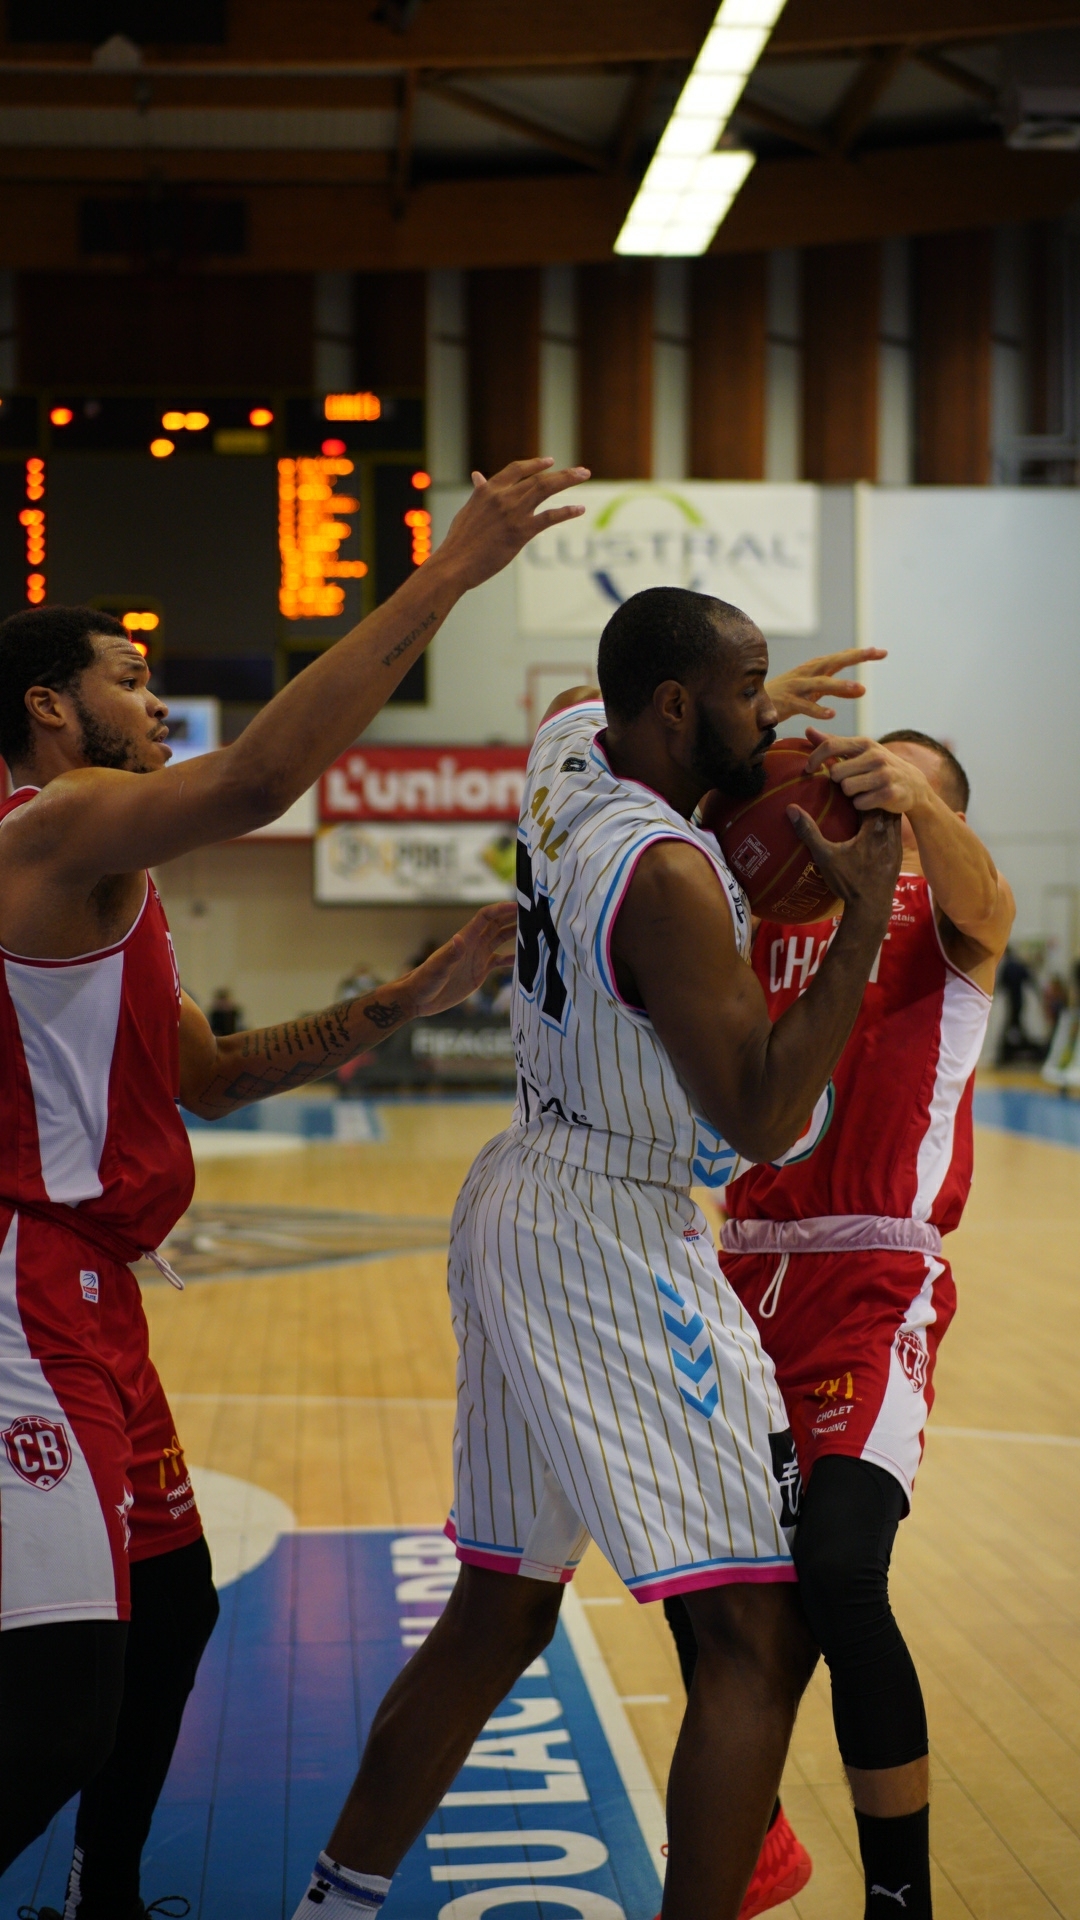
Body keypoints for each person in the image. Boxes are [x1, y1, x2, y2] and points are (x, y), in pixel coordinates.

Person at [0, 453, 587, 1920]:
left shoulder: (102, 885)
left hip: (91, 1296)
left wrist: (417, 989)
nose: (157, 705)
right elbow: (265, 775)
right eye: (131, 679)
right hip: (23, 1286)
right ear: (50, 708)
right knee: (67, 1697)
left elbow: (206, 1078)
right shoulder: (49, 832)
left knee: (179, 1607)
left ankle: (105, 1895)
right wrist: (451, 574)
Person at [289, 586, 901, 1920]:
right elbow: (762, 1110)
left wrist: (765, 712)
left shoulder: (564, 753)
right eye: (742, 685)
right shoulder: (672, 876)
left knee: (499, 1612)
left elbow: (613, 692)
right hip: (613, 1234)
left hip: (520, 1190)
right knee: (757, 1631)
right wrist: (860, 918)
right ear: (676, 709)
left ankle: (330, 1906)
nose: (765, 703)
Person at [670, 724, 1013, 1920]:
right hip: (737, 1275)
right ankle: (755, 1837)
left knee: (838, 1573)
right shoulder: (779, 909)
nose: (867, 782)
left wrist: (919, 799)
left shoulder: (952, 916)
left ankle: (899, 1897)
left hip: (874, 1279)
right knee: (707, 1582)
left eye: (899, 778)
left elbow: (990, 895)